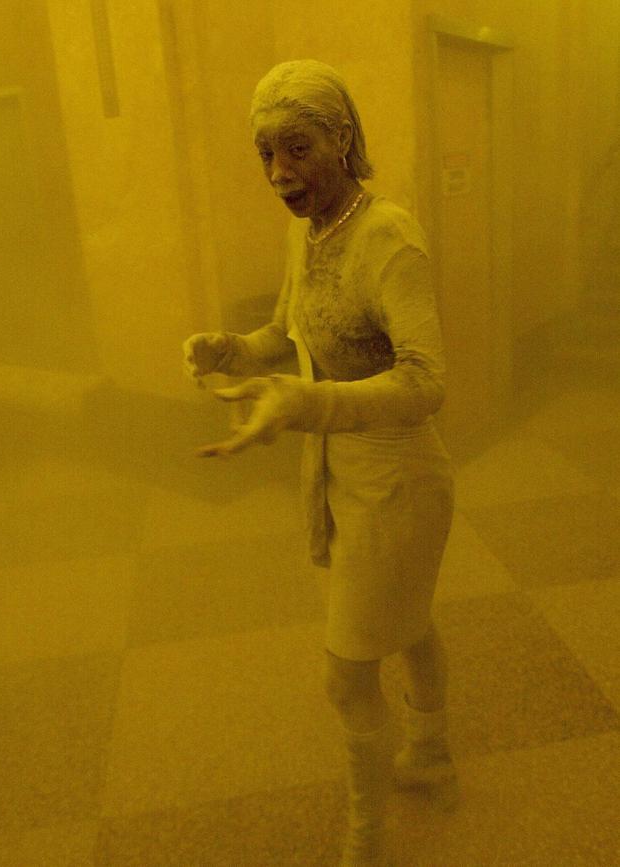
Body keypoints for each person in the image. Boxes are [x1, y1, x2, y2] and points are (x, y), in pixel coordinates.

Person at [183, 59, 457, 867]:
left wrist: (311, 405)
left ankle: (366, 840)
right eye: (265, 152)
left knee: (349, 672)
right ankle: (430, 752)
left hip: (402, 476)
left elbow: (426, 379)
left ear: (342, 138)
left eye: (297, 148)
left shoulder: (388, 235)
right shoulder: (306, 232)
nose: (279, 173)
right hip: (343, 474)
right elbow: (286, 334)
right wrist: (231, 347)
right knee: (405, 622)